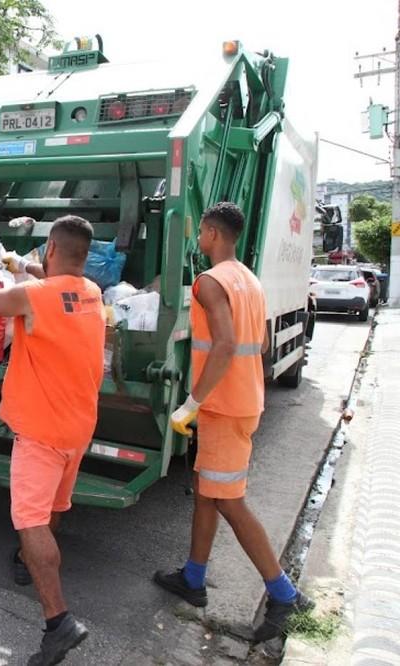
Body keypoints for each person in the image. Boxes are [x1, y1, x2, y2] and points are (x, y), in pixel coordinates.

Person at [152, 202, 313, 641]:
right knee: (208, 493)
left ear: (211, 233)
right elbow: (259, 343)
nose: (198, 239)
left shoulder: (209, 281)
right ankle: (193, 577)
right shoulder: (249, 278)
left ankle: (284, 594)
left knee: (229, 501)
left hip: (222, 407)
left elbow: (224, 345)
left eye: (201, 232)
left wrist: (191, 402)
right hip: (244, 402)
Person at [0, 216, 105, 666]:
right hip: (77, 428)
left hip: (40, 431)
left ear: (49, 247)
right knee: (51, 511)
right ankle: (28, 558)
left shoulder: (35, 297)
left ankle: (58, 622)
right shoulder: (92, 295)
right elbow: (53, 287)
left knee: (29, 519)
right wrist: (21, 265)